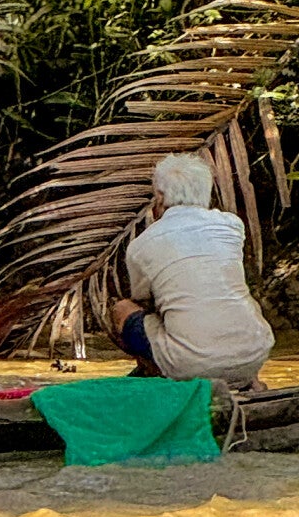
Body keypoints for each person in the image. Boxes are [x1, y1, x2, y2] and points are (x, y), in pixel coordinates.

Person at [103, 152, 274, 387]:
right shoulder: (232, 226)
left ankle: (159, 377)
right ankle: (245, 376)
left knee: (123, 309)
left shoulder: (141, 245)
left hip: (190, 365)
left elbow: (143, 300)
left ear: (160, 197)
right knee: (233, 297)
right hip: (255, 354)